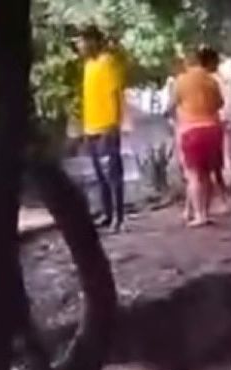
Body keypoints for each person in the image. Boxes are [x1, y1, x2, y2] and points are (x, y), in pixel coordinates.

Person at [79, 26, 128, 231]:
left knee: (113, 174)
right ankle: (107, 214)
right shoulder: (88, 65)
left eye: (83, 41)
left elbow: (115, 94)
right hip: (91, 127)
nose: (79, 46)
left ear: (93, 42)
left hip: (106, 126)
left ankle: (118, 217)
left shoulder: (107, 62)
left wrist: (115, 123)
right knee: (100, 175)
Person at [175, 46, 226, 227]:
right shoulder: (212, 81)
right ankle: (204, 211)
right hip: (212, 128)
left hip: (191, 129)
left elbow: (174, 102)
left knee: (194, 175)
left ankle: (199, 214)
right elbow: (220, 103)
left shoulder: (181, 80)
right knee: (207, 173)